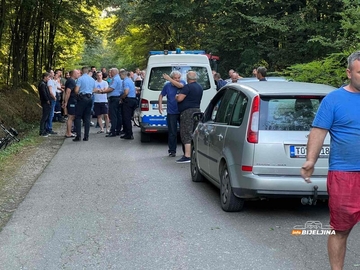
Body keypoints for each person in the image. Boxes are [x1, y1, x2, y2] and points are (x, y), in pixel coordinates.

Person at [301, 51, 360, 270]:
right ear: (349, 73)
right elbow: (318, 131)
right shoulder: (334, 100)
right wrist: (310, 160)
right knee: (341, 229)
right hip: (345, 174)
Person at [175, 70, 203, 163]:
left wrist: (176, 96)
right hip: (197, 110)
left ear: (187, 78)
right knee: (194, 132)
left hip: (187, 112)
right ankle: (194, 153)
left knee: (186, 132)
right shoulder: (199, 87)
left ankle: (187, 155)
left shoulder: (187, 87)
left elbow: (180, 99)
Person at [158, 71, 185, 157]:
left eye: (178, 78)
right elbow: (161, 95)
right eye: (175, 78)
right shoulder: (167, 86)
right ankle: (172, 151)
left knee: (184, 132)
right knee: (172, 132)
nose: (177, 79)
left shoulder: (182, 83)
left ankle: (186, 152)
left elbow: (180, 86)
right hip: (171, 112)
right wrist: (160, 105)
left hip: (181, 111)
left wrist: (169, 79)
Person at [97, 68, 123, 137]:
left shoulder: (115, 79)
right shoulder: (118, 78)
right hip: (117, 98)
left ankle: (113, 131)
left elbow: (111, 89)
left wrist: (103, 91)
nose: (109, 73)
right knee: (117, 115)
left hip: (114, 99)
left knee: (113, 115)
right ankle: (117, 129)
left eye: (110, 72)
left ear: (114, 72)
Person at [73, 67, 96, 142]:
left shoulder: (80, 79)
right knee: (87, 118)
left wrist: (78, 95)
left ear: (82, 72)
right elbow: (94, 89)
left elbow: (76, 90)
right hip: (90, 98)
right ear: (88, 71)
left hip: (82, 98)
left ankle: (78, 136)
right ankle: (86, 136)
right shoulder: (92, 79)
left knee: (78, 117)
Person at [119, 69, 137, 139]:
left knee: (126, 118)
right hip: (133, 100)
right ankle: (127, 132)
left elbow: (126, 92)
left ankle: (129, 134)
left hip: (128, 100)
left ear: (123, 74)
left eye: (120, 75)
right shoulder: (130, 80)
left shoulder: (125, 81)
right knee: (128, 117)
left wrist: (121, 98)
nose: (120, 76)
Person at [63, 69, 79, 138]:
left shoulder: (71, 80)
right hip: (71, 101)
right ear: (73, 74)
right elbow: (68, 91)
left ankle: (68, 131)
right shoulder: (71, 81)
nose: (78, 74)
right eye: (77, 73)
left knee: (72, 116)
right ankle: (68, 133)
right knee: (71, 117)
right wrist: (66, 102)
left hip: (72, 100)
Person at [38, 72, 52, 137]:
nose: (49, 78)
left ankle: (45, 130)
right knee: (45, 116)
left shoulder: (44, 84)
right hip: (45, 102)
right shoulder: (42, 84)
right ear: (45, 77)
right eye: (48, 77)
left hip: (46, 101)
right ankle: (42, 131)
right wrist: (47, 100)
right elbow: (44, 93)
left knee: (47, 116)